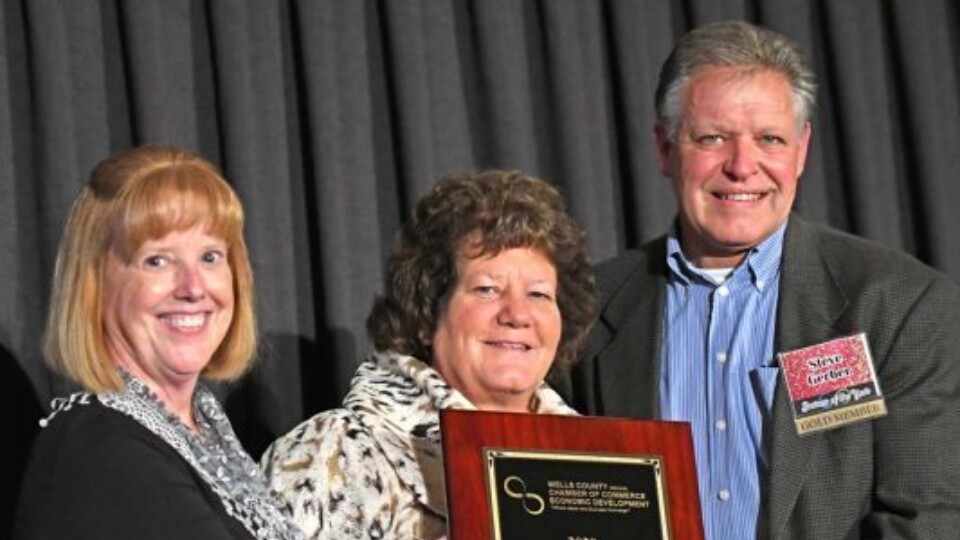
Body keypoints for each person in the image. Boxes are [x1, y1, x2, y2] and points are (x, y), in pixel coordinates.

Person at [556, 20, 960, 540]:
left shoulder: (900, 306)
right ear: (664, 148)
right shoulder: (587, 309)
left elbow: (928, 519)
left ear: (801, 150)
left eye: (769, 139)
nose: (743, 166)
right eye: (712, 138)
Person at [261, 170, 596, 539]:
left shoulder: (606, 466)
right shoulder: (334, 455)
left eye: (538, 294)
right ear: (425, 314)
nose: (516, 314)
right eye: (487, 289)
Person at [13, 145, 303, 539]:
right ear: (94, 286)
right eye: (157, 260)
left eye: (211, 256)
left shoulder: (202, 429)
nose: (193, 287)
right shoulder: (102, 452)